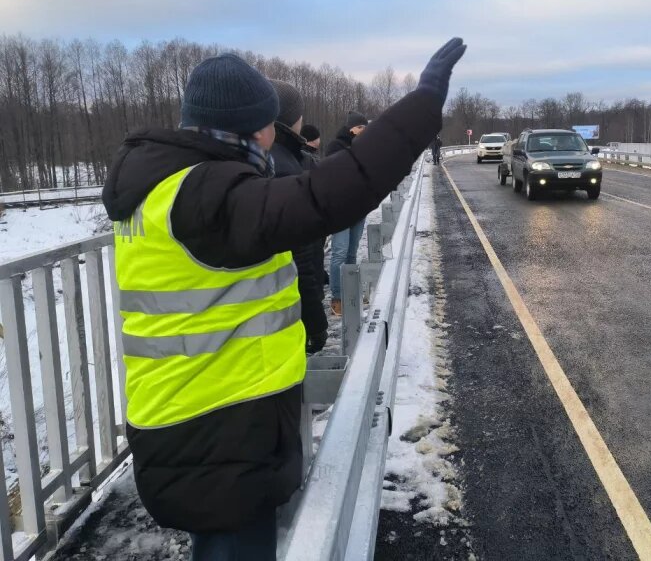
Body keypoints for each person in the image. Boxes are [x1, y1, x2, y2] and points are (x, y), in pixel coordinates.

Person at [102, 37, 466, 560]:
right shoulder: (206, 196)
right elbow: (325, 198)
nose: (278, 134)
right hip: (217, 435)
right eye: (271, 124)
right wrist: (422, 105)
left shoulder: (167, 187)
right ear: (252, 128)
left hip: (195, 422)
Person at [268, 79, 328, 354]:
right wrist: (316, 318)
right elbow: (300, 256)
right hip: (286, 305)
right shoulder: (284, 167)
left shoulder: (282, 159)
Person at [325, 110, 369, 316]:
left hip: (359, 207)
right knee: (339, 253)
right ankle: (337, 298)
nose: (363, 131)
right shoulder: (336, 146)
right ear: (351, 128)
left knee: (352, 252)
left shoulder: (363, 147)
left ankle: (350, 292)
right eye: (360, 127)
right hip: (340, 208)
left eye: (365, 128)